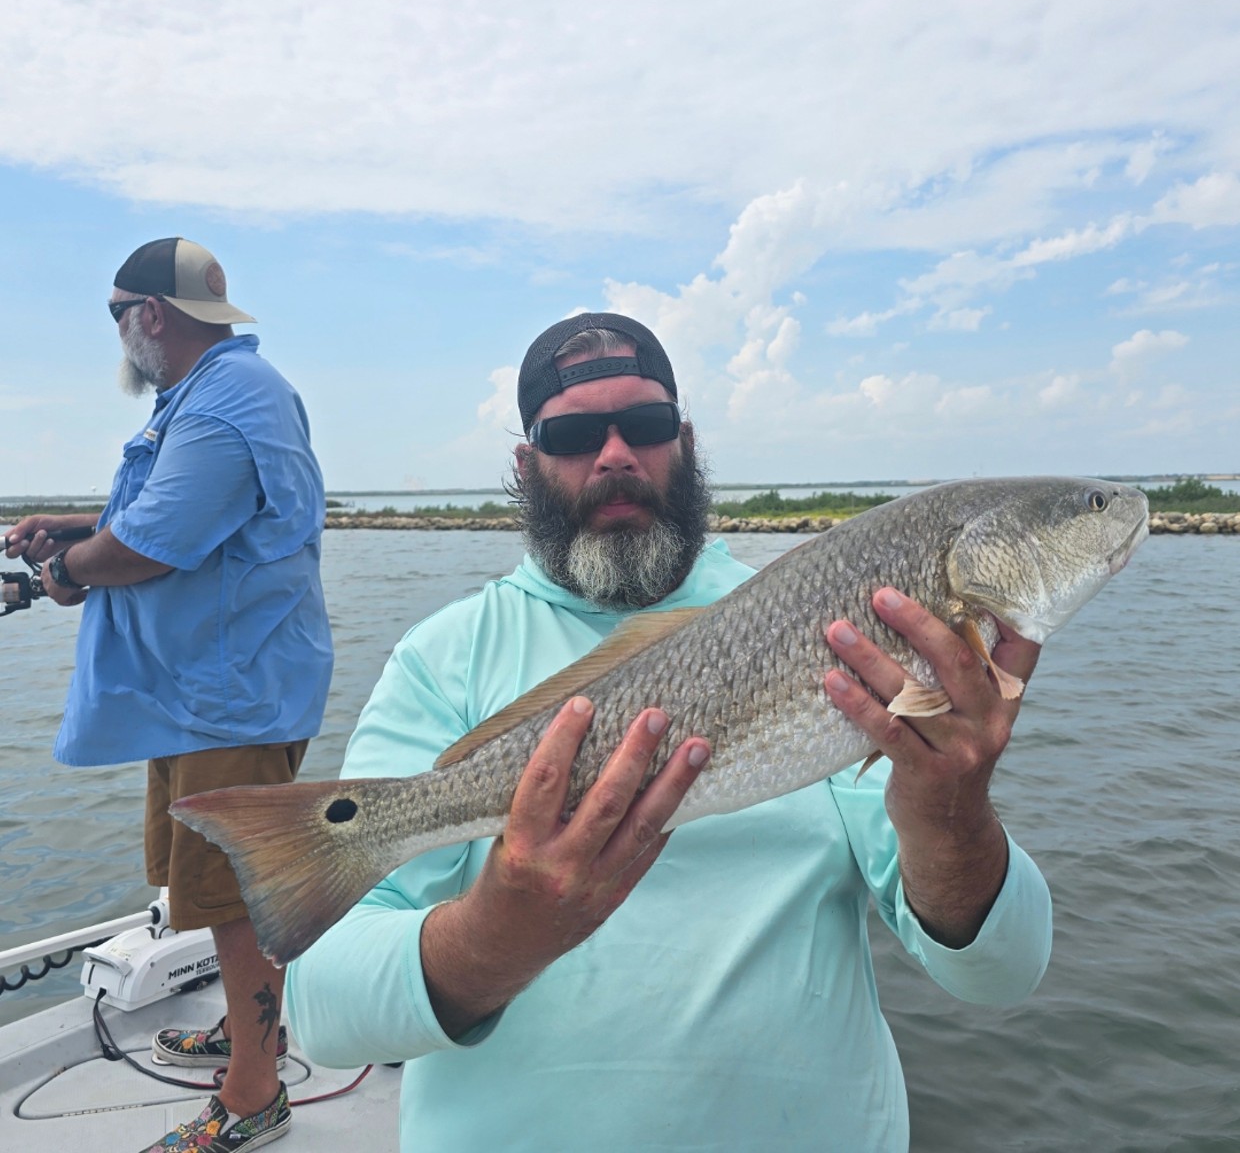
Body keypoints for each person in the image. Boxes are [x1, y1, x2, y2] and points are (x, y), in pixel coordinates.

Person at [283, 311, 1052, 1152]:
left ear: (684, 441)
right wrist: (497, 936)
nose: (615, 455)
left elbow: (1000, 972)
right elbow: (317, 1008)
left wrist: (952, 805)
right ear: (525, 462)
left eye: (645, 426)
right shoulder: (445, 658)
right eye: (574, 433)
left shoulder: (834, 636)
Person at [5, 237, 333, 1153]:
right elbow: (177, 516)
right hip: (206, 691)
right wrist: (74, 526)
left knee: (225, 893)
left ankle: (254, 1095)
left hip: (232, 696)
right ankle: (245, 1030)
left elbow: (153, 544)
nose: (117, 336)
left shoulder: (224, 405)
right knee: (214, 883)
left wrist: (62, 571)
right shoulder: (217, 391)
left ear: (151, 313)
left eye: (117, 315)